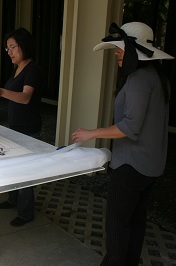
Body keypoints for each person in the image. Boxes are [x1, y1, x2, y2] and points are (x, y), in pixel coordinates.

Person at [71, 22, 174, 266]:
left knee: (118, 227)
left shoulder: (138, 78)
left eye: (121, 48)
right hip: (152, 165)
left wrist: (91, 133)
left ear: (134, 51)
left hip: (131, 166)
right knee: (136, 221)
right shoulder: (158, 77)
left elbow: (130, 127)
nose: (117, 53)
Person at [0, 27, 43, 227]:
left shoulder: (33, 69)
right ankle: (13, 200)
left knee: (25, 172)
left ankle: (26, 212)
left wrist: (2, 92)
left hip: (28, 129)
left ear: (24, 46)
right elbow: (11, 95)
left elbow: (25, 97)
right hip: (14, 126)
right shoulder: (17, 68)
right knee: (13, 166)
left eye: (12, 47)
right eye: (7, 48)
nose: (9, 52)